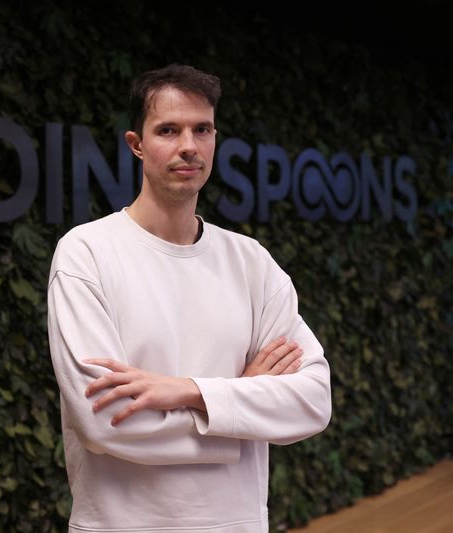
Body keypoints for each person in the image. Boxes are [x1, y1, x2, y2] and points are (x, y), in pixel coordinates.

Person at [46, 64, 332, 532]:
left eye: (202, 129)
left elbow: (313, 400)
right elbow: (105, 422)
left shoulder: (251, 263)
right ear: (136, 144)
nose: (188, 146)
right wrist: (238, 408)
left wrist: (190, 391)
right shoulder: (86, 254)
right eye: (168, 130)